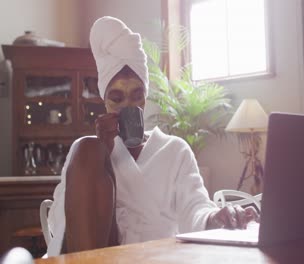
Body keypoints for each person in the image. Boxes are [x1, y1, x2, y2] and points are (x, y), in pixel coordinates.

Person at [47, 16, 258, 257]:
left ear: (145, 98)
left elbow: (195, 208)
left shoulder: (174, 149)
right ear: (104, 101)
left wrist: (215, 216)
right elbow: (59, 222)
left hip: (156, 256)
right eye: (116, 98)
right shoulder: (88, 154)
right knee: (86, 147)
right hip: (102, 254)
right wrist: (101, 153)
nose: (128, 105)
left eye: (137, 96)